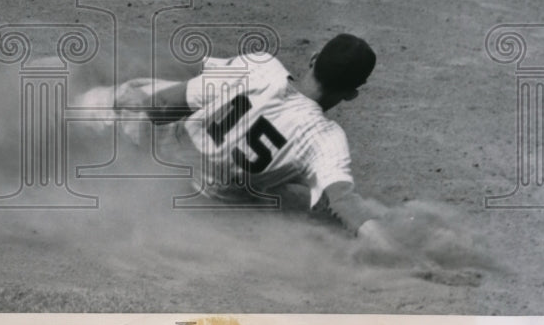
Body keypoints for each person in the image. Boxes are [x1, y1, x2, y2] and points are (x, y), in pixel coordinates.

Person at [81, 33, 400, 251]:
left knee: (124, 96)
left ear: (313, 58)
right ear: (352, 94)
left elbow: (163, 106)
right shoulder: (325, 140)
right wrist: (398, 255)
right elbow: (346, 204)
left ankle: (76, 117)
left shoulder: (261, 66)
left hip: (137, 151)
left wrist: (132, 99)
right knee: (282, 193)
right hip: (195, 203)